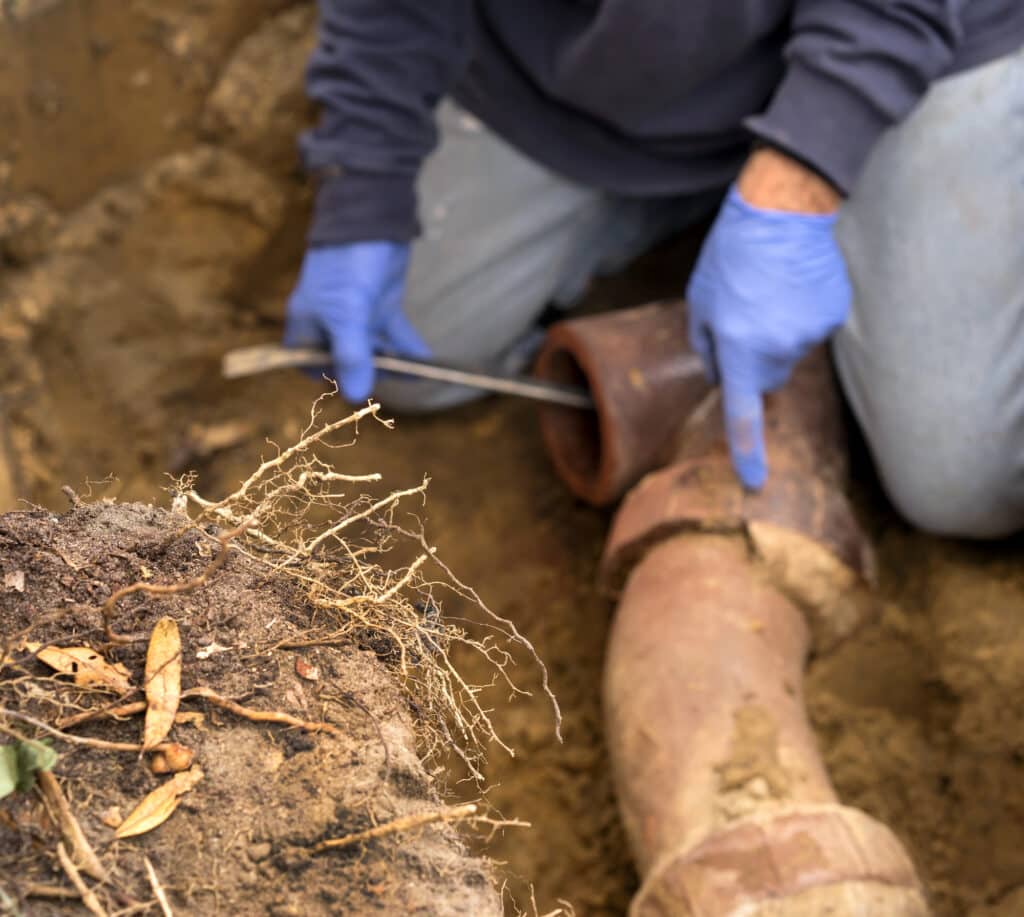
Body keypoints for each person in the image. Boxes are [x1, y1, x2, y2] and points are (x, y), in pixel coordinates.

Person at [283, 2, 1024, 538]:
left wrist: (797, 181)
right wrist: (366, 181)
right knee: (407, 352)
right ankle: (698, 202)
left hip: (924, 37)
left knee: (961, 481)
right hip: (585, 64)